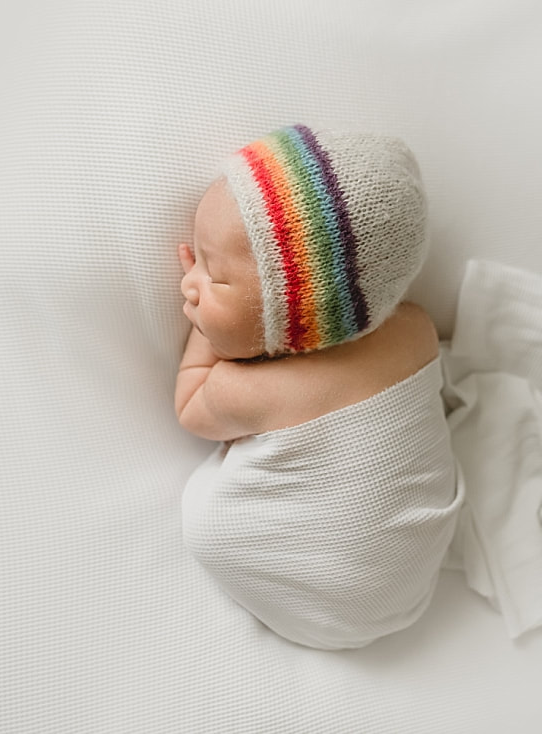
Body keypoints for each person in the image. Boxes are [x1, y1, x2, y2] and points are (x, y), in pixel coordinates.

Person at [175, 124, 463, 650]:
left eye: (213, 277)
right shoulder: (417, 326)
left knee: (204, 522)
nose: (187, 282)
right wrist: (219, 299)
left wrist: (205, 334)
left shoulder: (253, 392)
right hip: (416, 573)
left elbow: (191, 405)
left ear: (295, 324)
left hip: (326, 604)